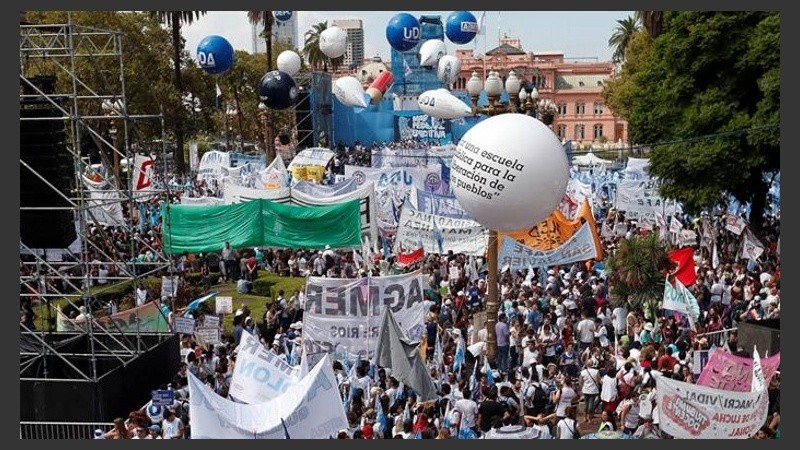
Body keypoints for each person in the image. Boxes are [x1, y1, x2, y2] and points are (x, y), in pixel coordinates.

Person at [579, 359, 601, 423]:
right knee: (591, 404)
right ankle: (589, 419)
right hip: (593, 390)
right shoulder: (596, 371)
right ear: (592, 364)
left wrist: (582, 387)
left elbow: (580, 381)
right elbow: (599, 380)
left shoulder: (583, 372)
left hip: (585, 389)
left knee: (586, 404)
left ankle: (584, 417)